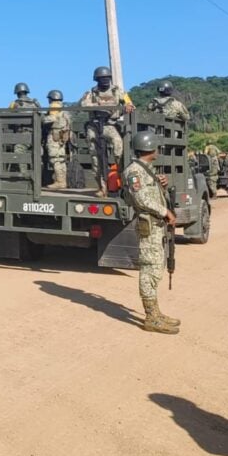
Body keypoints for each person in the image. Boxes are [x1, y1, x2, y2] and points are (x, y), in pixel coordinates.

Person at [123, 130, 180, 335]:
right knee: (150, 269)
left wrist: (161, 184)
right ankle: (151, 317)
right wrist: (166, 212)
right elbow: (141, 200)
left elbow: (150, 194)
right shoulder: (134, 172)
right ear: (151, 148)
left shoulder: (145, 169)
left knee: (156, 266)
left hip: (157, 226)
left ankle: (155, 313)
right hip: (150, 225)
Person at [79, 66, 134, 196]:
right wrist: (99, 107)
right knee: (96, 158)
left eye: (107, 78)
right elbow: (83, 104)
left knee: (118, 148)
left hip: (109, 124)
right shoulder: (91, 93)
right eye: (102, 78)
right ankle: (101, 187)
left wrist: (126, 107)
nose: (105, 81)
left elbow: (129, 103)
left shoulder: (117, 91)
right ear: (96, 80)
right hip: (94, 125)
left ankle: (122, 180)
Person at [43, 90, 71, 189]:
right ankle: (63, 181)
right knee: (61, 159)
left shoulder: (54, 106)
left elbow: (51, 118)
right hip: (62, 136)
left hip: (55, 136)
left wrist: (41, 119)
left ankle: (60, 182)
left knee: (55, 159)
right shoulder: (64, 108)